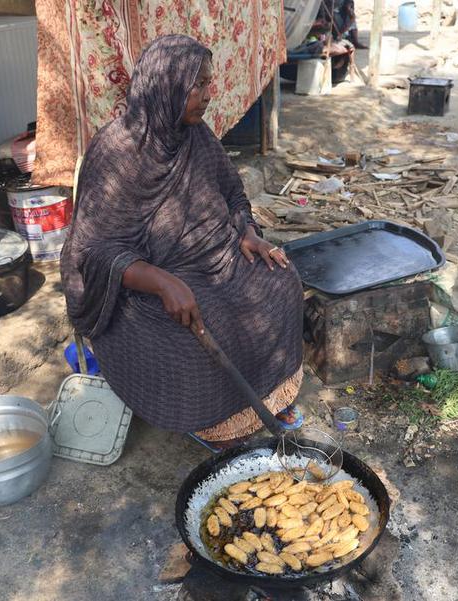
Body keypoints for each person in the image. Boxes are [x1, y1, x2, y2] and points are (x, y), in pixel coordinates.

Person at [60, 35, 304, 449]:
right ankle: (214, 421)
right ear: (164, 86)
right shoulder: (117, 150)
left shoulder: (195, 134)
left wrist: (247, 233)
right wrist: (162, 282)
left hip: (217, 256)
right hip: (142, 280)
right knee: (198, 333)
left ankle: (261, 397)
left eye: (209, 84)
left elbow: (231, 193)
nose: (209, 95)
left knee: (281, 281)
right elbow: (92, 251)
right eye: (198, 86)